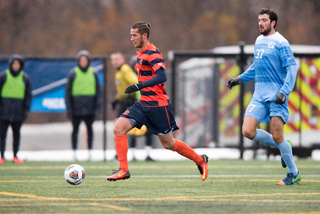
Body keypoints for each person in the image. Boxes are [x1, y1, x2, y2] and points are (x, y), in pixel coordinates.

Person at [107, 21, 208, 181]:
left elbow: (162, 76)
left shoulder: (153, 53)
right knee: (118, 128)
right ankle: (123, 170)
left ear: (144, 36)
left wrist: (140, 85)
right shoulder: (140, 53)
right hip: (143, 104)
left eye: (134, 35)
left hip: (158, 106)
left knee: (169, 144)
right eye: (131, 35)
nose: (131, 39)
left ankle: (199, 160)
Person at [227, 8, 301, 185]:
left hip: (277, 96)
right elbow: (256, 67)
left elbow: (292, 68)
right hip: (259, 96)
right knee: (247, 131)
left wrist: (284, 92)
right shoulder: (259, 41)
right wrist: (239, 79)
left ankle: (294, 173)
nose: (260, 23)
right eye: (259, 20)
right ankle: (284, 146)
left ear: (273, 22)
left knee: (277, 136)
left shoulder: (281, 42)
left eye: (264, 20)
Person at [111, 52, 154, 161]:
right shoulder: (120, 71)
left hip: (132, 103)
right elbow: (122, 90)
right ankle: (120, 155)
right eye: (113, 59)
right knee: (121, 129)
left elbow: (136, 83)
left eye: (117, 59)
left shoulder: (125, 70)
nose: (115, 62)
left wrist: (139, 100)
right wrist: (116, 100)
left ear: (123, 60)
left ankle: (120, 156)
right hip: (124, 103)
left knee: (123, 129)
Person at [65, 50, 100, 161]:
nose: (83, 62)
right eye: (81, 60)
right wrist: (69, 108)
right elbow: (68, 92)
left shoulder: (93, 73)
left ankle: (90, 152)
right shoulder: (73, 73)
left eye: (85, 60)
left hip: (90, 108)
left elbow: (98, 92)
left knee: (90, 130)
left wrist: (97, 107)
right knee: (75, 131)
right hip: (76, 109)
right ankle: (74, 152)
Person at [0, 54, 32, 164]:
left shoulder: (25, 78)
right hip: (4, 112)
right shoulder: (4, 76)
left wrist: (26, 110)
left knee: (16, 135)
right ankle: (2, 156)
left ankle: (15, 156)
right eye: (14, 63)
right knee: (2, 135)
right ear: (10, 64)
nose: (16, 66)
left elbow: (28, 95)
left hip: (18, 113)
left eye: (18, 64)